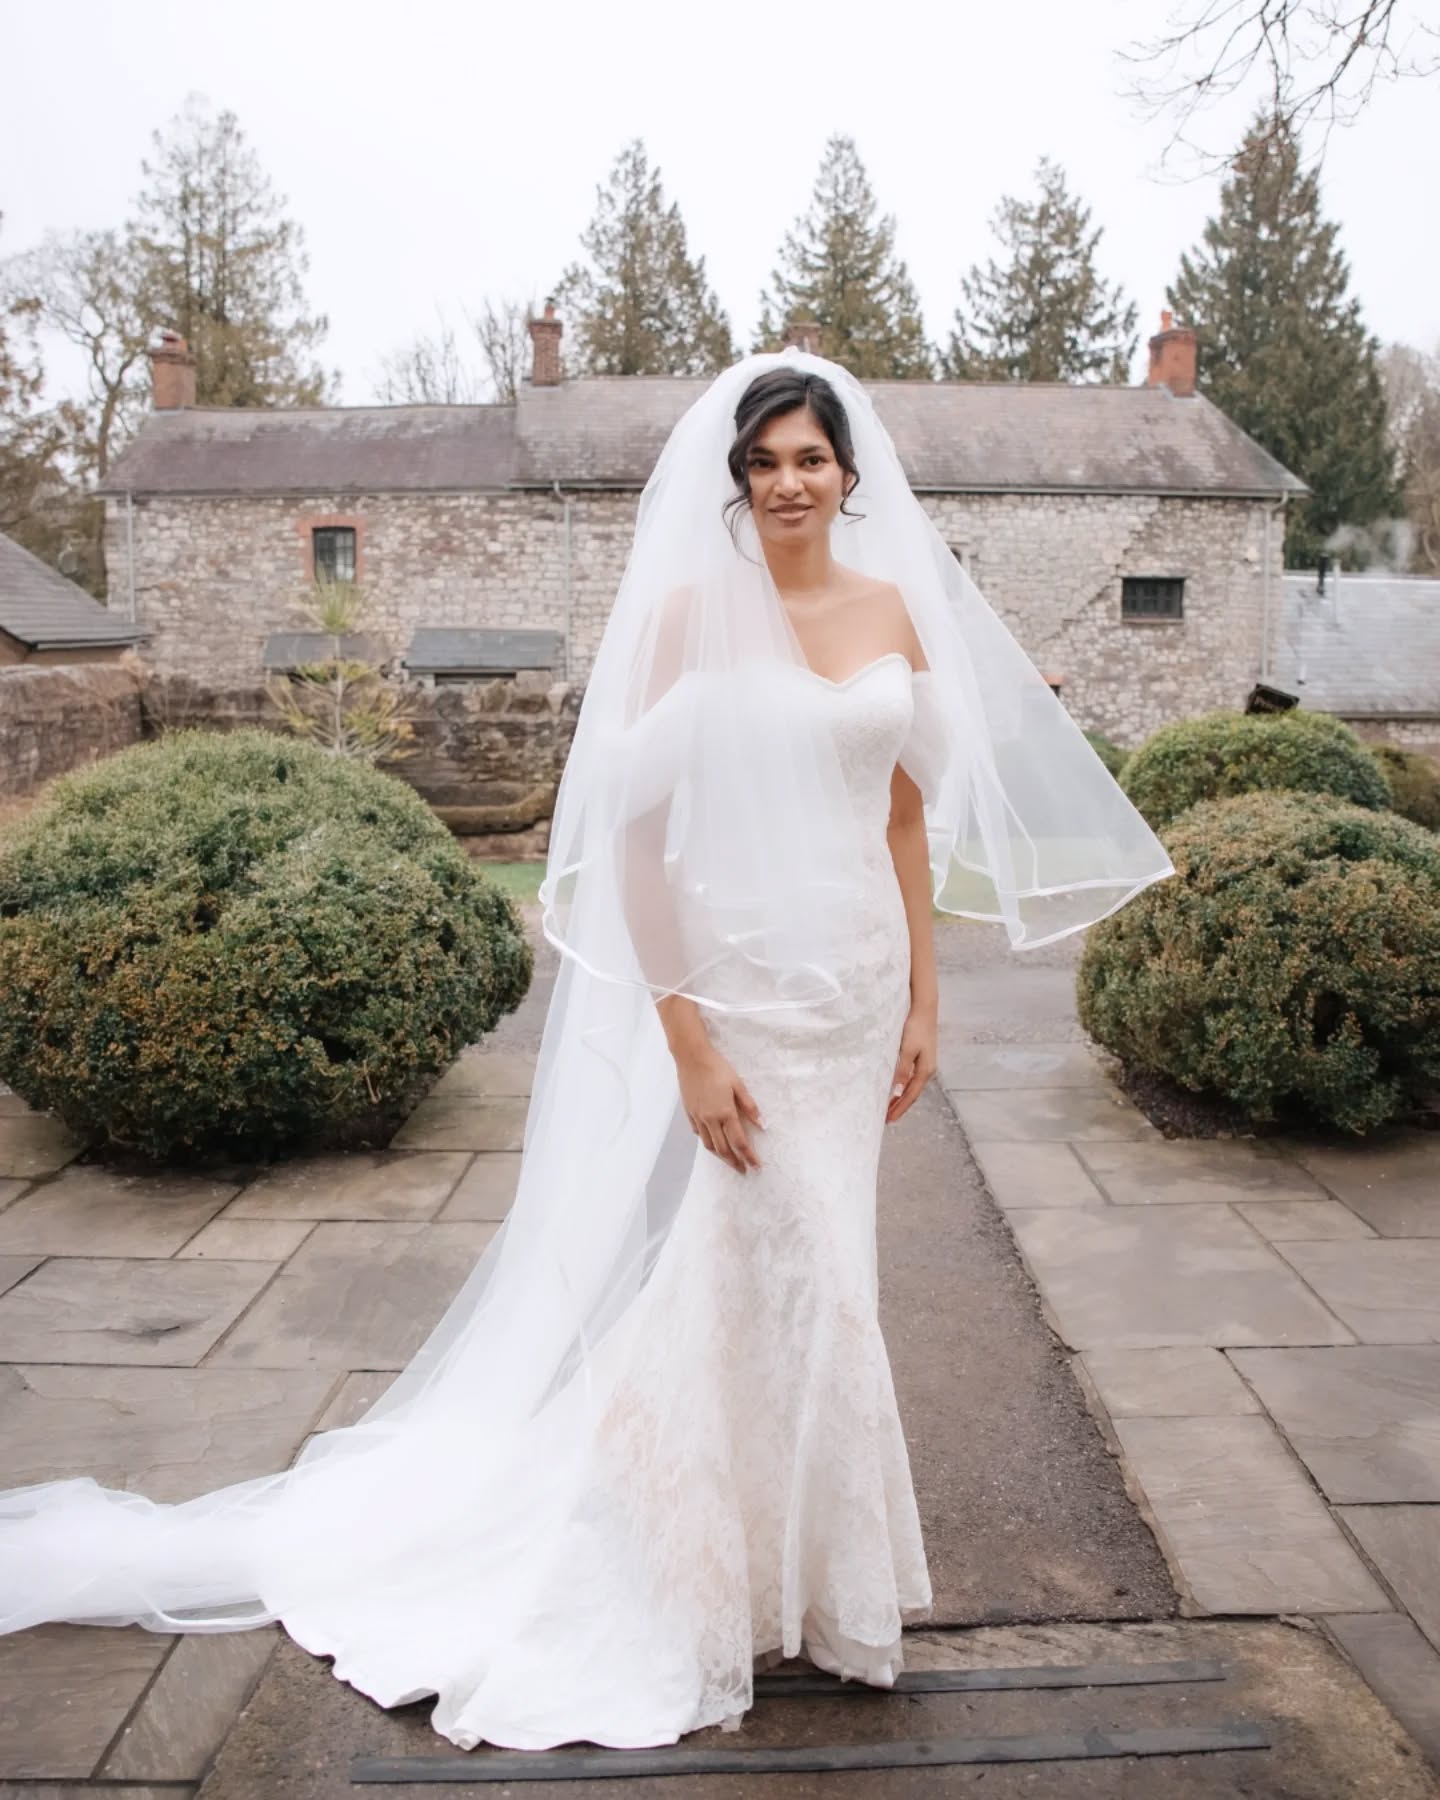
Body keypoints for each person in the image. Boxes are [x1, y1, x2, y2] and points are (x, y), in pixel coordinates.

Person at [0, 349, 1173, 1753]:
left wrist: (929, 998)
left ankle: (794, 1582)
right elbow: (629, 830)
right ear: (737, 481)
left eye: (813, 458)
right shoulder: (691, 618)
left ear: (850, 474)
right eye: (767, 461)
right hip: (735, 995)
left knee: (806, 1283)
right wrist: (682, 1036)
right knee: (790, 1287)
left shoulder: (894, 610)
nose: (791, 482)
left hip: (853, 997)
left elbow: (906, 816)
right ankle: (710, 1579)